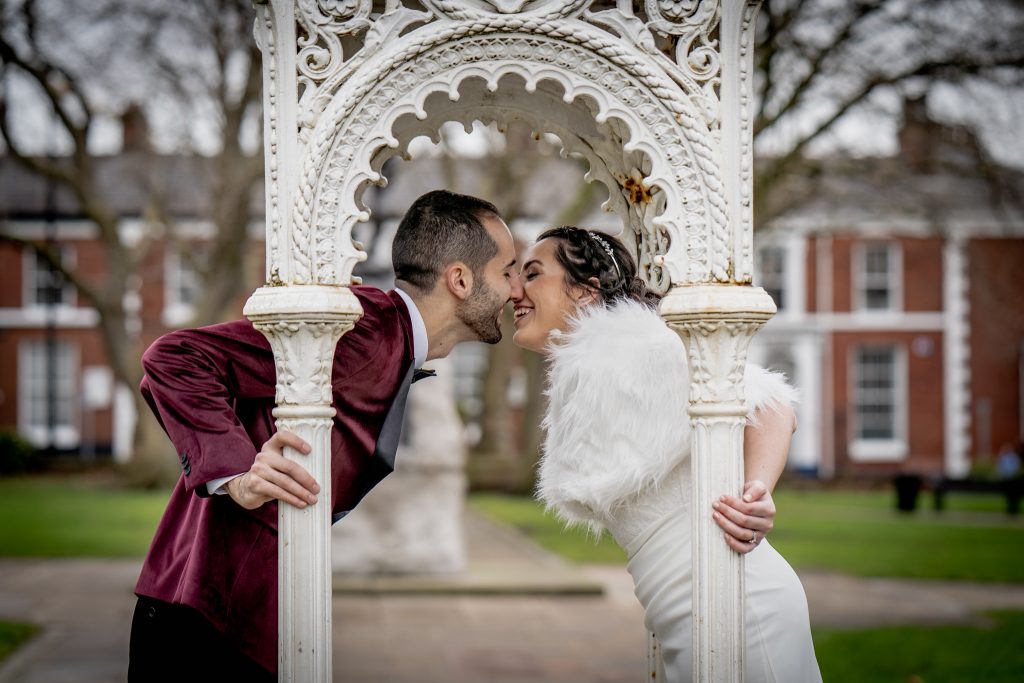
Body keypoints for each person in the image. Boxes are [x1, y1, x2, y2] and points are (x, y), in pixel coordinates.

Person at [129, 190, 522, 680]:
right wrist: (236, 473)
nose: (516, 290)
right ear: (460, 280)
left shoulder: (388, 337)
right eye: (507, 270)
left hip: (236, 617)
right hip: (205, 621)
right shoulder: (359, 328)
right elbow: (173, 358)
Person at [511, 226, 822, 682]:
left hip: (741, 607)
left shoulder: (640, 348)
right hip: (683, 616)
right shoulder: (589, 373)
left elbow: (773, 403)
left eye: (532, 274)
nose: (514, 292)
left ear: (585, 291)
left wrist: (756, 493)